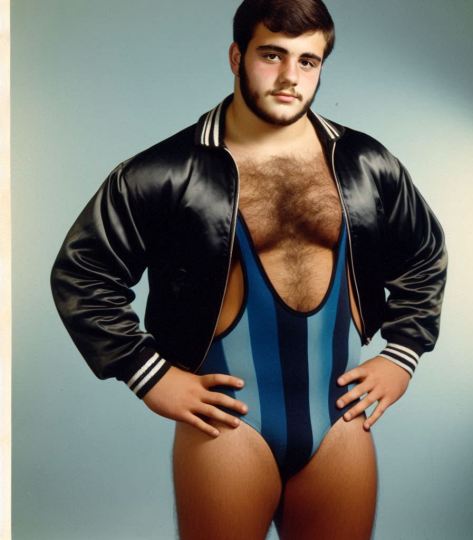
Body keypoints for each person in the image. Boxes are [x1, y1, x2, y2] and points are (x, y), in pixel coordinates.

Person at [50, 0, 447, 538]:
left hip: (341, 428)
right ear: (237, 57)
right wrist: (148, 374)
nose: (290, 77)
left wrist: (403, 353)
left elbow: (424, 254)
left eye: (307, 61)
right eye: (272, 55)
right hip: (229, 429)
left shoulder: (365, 163)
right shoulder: (165, 171)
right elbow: (83, 271)